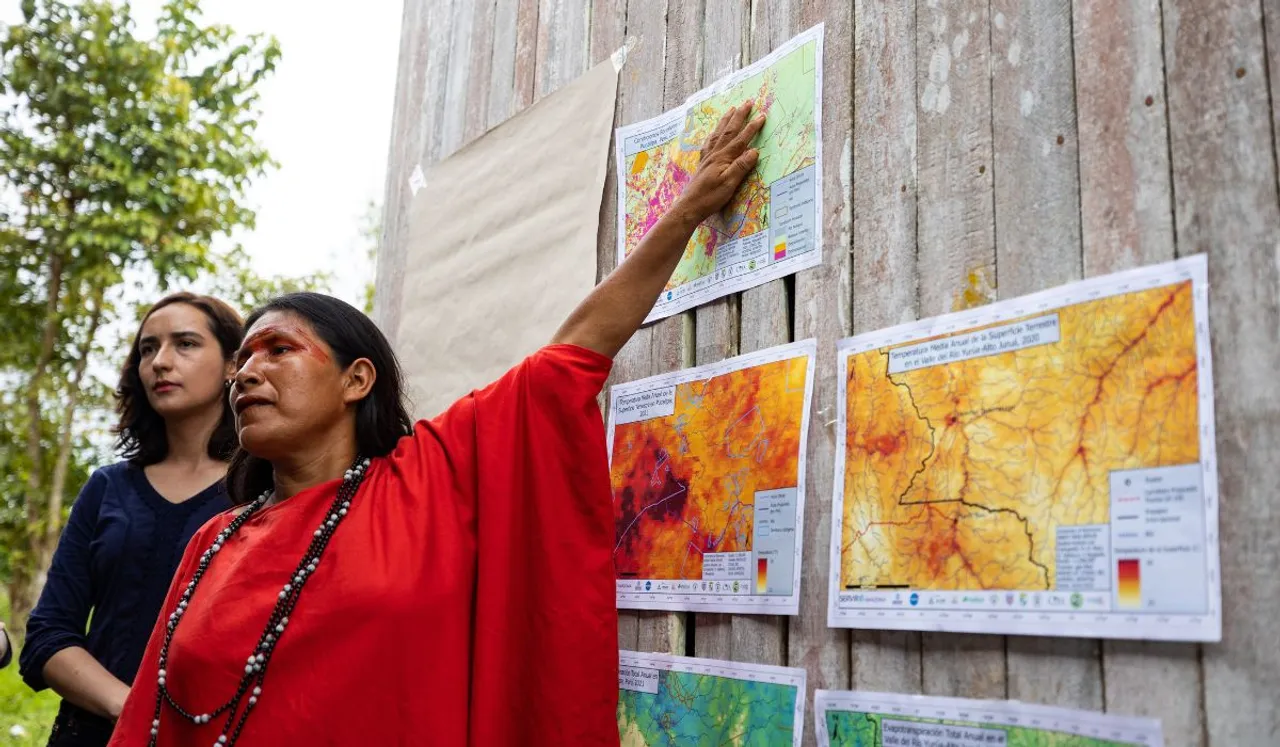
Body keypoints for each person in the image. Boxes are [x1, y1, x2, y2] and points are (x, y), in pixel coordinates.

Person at [109, 104, 767, 746]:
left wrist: (684, 211)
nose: (248, 371)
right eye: (242, 361)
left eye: (279, 349)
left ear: (355, 380)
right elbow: (145, 719)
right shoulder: (211, 545)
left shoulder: (428, 477)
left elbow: (574, 351)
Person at [21, 293, 242, 747]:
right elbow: (47, 635)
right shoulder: (108, 487)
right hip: (89, 735)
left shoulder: (262, 493)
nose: (160, 362)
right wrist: (131, 708)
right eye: (147, 349)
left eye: (185, 344)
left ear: (233, 365)